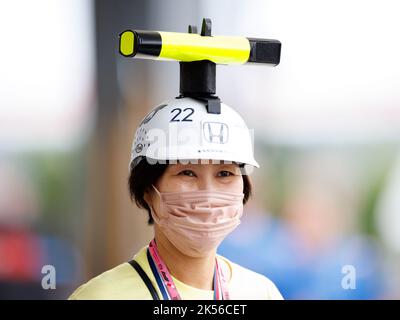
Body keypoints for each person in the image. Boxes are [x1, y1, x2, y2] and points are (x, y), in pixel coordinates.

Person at [69, 97, 283, 300]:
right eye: (187, 173)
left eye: (225, 173)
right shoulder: (101, 296)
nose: (207, 195)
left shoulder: (262, 293)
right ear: (149, 192)